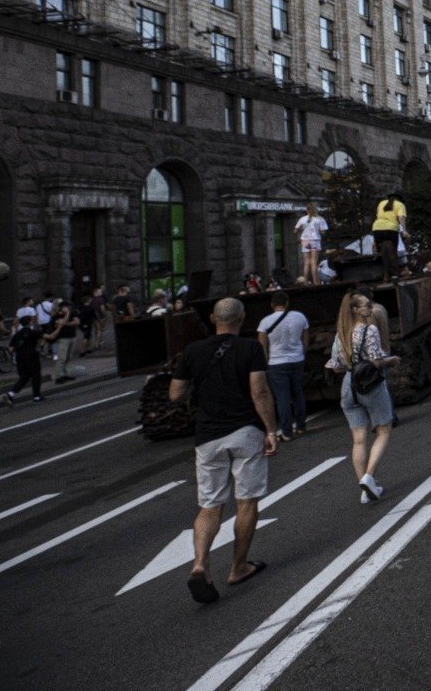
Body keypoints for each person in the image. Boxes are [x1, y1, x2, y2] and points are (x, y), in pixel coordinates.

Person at [167, 297, 277, 603]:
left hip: (208, 437)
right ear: (241, 318)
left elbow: (175, 394)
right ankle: (238, 567)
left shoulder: (192, 351)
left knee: (210, 505)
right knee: (247, 502)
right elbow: (260, 391)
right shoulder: (251, 348)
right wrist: (271, 430)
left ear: (214, 318)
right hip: (245, 432)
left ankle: (200, 564)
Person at [327, 292, 399, 502]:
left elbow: (336, 365)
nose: (371, 307)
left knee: (358, 440)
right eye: (367, 305)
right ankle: (368, 477)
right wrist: (392, 359)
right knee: (384, 430)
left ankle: (366, 488)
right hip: (370, 385)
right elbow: (377, 359)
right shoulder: (370, 329)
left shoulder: (341, 333)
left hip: (349, 385)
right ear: (356, 310)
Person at [257, 291, 309, 441]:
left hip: (276, 363)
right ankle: (301, 426)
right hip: (297, 359)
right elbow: (305, 339)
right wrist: (302, 354)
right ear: (287, 303)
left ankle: (286, 432)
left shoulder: (265, 322)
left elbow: (262, 346)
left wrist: (266, 363)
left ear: (272, 305)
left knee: (282, 398)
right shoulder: (300, 317)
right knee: (298, 393)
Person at [2, 315, 44, 405]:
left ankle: (11, 394)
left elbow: (10, 348)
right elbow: (41, 342)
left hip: (20, 357)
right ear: (29, 322)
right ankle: (36, 396)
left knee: (24, 376)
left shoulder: (17, 334)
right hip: (32, 356)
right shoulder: (33, 332)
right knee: (36, 376)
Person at [371, 193, 408, 283]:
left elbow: (378, 216)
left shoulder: (381, 203)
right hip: (391, 229)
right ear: (399, 200)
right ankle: (395, 275)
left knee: (383, 254)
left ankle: (386, 276)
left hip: (377, 228)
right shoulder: (400, 205)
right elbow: (401, 218)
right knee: (393, 253)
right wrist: (404, 230)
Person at [294, 202, 328, 285]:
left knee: (306, 262)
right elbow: (323, 232)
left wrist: (301, 229)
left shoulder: (302, 219)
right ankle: (316, 281)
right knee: (314, 262)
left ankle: (305, 281)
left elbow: (295, 231)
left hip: (305, 240)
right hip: (315, 240)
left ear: (307, 210)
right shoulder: (320, 219)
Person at [46, 301, 80, 383]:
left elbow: (77, 322)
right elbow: (61, 323)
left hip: (72, 336)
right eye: (66, 307)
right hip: (62, 338)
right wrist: (67, 314)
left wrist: (66, 323)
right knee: (62, 357)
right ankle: (58, 376)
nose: (68, 308)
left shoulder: (72, 314)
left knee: (68, 357)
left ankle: (64, 373)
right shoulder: (56, 316)